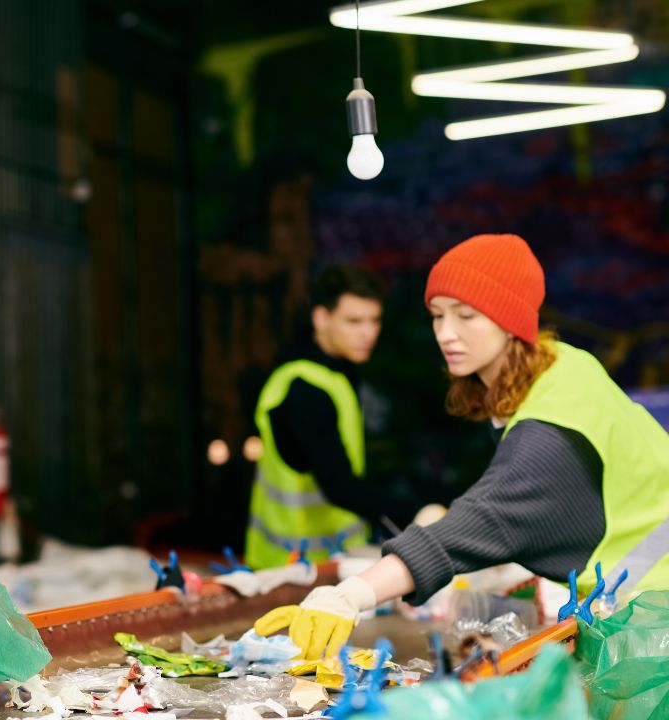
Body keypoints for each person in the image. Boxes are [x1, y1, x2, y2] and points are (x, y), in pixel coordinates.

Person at [255, 234, 669, 659]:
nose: (445, 334)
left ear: (510, 321)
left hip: (655, 617)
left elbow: (485, 519)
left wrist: (351, 595)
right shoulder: (564, 366)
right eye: (438, 316)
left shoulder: (547, 433)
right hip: (642, 608)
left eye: (467, 316)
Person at [247, 264, 426, 569]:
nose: (368, 332)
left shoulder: (334, 370)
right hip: (292, 568)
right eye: (354, 321)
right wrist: (416, 512)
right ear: (321, 318)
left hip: (331, 561)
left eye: (374, 320)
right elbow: (339, 485)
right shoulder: (305, 389)